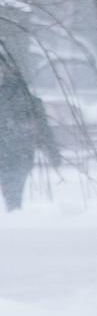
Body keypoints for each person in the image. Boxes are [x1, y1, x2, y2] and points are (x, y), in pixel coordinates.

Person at [0, 53, 58, 212]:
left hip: (8, 151)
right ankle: (14, 208)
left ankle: (13, 208)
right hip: (22, 150)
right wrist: (52, 151)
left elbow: (41, 126)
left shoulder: (14, 98)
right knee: (15, 185)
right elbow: (43, 127)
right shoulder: (31, 101)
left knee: (10, 184)